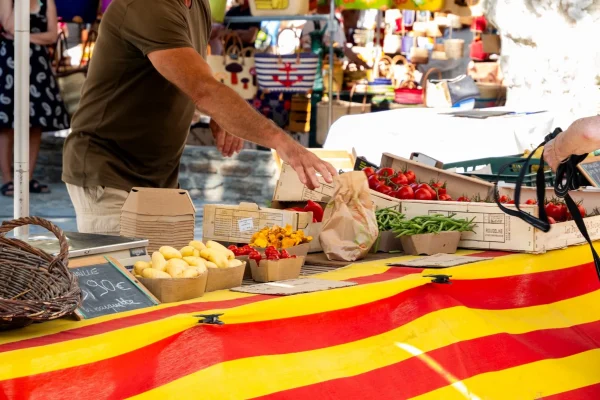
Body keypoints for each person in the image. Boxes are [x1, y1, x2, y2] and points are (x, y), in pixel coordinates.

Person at [62, 0, 336, 236]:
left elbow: (192, 72)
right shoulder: (148, 6)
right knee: (124, 287)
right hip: (108, 171)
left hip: (157, 177)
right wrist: (281, 141)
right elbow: (203, 89)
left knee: (168, 283)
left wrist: (220, 114)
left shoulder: (197, 5)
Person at [0, 0, 69, 196]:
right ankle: (7, 179)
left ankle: (27, 179)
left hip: (37, 64)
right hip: (10, 62)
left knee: (36, 120)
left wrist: (24, 37)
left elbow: (52, 35)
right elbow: (9, 26)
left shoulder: (46, 2)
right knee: (6, 122)